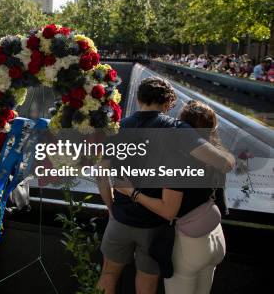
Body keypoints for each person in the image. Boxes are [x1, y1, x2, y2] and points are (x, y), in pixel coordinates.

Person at [95, 77, 234, 294]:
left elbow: (102, 176)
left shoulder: (117, 129)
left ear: (139, 99)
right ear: (169, 103)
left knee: (108, 274)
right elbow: (222, 163)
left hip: (120, 219)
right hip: (154, 226)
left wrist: (111, 208)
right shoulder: (177, 129)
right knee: (147, 281)